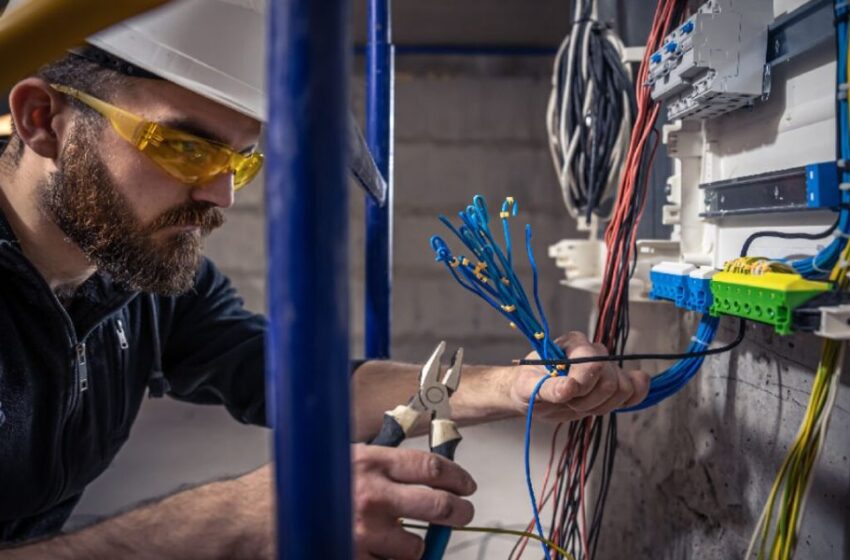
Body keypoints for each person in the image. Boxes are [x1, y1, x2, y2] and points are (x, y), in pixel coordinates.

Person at [0, 1, 650, 558]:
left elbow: (298, 381)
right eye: (185, 148)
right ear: (40, 120)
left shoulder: (138, 279)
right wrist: (230, 520)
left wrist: (515, 385)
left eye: (240, 159)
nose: (221, 194)